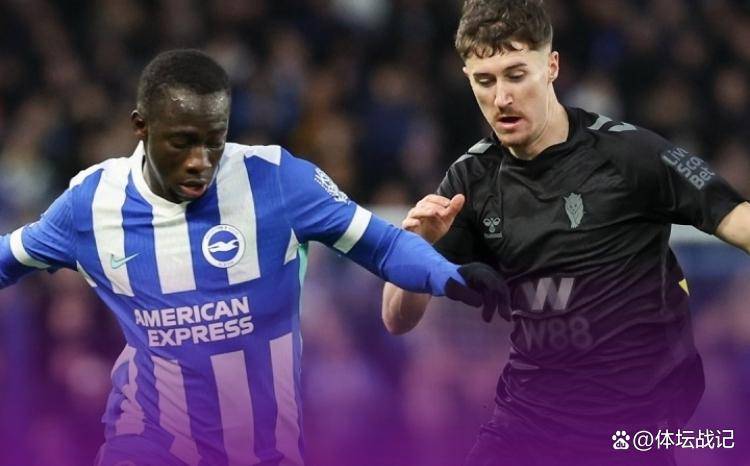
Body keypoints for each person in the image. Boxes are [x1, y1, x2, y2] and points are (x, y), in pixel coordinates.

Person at [0, 49, 506, 466]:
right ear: (141, 126)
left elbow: (385, 244)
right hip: (147, 444)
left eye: (214, 142)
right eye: (182, 143)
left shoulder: (277, 180)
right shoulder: (92, 203)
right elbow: (9, 257)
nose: (200, 162)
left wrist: (452, 277)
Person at [382, 1, 750, 465]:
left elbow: (736, 218)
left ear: (551, 66)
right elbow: (396, 318)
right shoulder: (469, 181)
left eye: (516, 75)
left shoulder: (628, 154)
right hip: (526, 422)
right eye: (485, 81)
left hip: (634, 429)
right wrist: (417, 246)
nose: (502, 97)